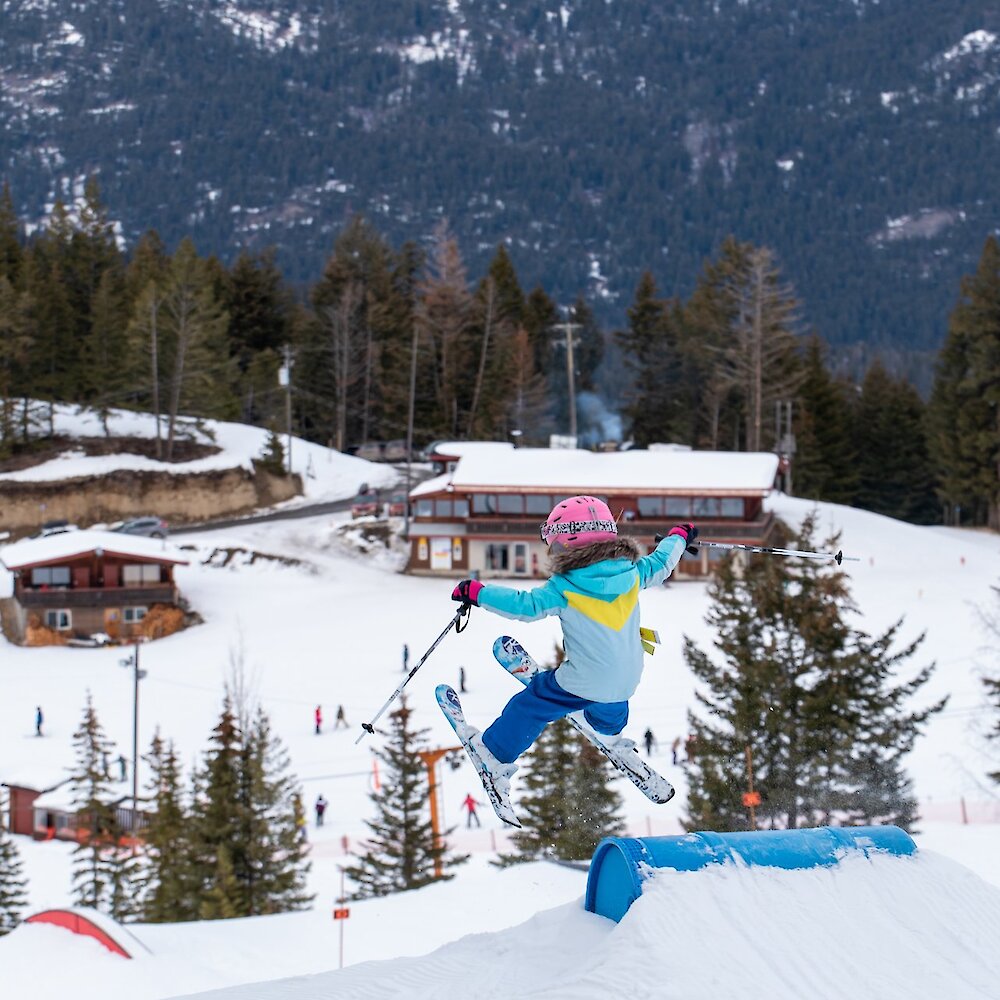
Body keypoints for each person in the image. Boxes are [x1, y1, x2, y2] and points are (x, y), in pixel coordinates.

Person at [449, 496, 695, 795]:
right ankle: (608, 730)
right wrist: (679, 536)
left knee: (533, 704)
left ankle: (494, 753)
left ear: (566, 543)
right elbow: (663, 562)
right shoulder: (633, 572)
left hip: (584, 679)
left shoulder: (565, 586)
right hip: (627, 680)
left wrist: (477, 593)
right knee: (609, 700)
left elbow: (525, 606)